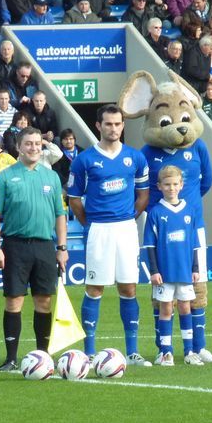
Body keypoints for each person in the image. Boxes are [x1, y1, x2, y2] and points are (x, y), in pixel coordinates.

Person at [67, 105, 152, 365]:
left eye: (117, 124)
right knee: (95, 288)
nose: (113, 128)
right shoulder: (84, 160)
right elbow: (73, 199)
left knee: (128, 287)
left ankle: (133, 351)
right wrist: (91, 224)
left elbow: (143, 195)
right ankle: (89, 352)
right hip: (98, 229)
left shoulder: (135, 158)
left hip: (126, 228)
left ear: (123, 125)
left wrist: (127, 218)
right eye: (108, 124)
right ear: (98, 126)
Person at [0, 127, 68, 371]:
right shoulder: (4, 177)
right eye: (29, 144)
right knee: (14, 301)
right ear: (19, 148)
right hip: (15, 246)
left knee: (43, 301)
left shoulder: (51, 177)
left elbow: (60, 214)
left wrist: (62, 247)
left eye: (37, 144)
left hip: (44, 245)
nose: (34, 148)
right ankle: (11, 358)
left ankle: (43, 355)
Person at [144, 165, 203, 366]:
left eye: (175, 184)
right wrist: (154, 271)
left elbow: (194, 243)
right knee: (166, 309)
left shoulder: (189, 210)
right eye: (167, 184)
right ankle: (166, 352)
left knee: (186, 308)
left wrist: (195, 269)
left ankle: (189, 352)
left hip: (185, 271)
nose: (171, 188)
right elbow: (150, 245)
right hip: (164, 273)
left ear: (181, 185)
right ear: (159, 186)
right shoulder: (155, 212)